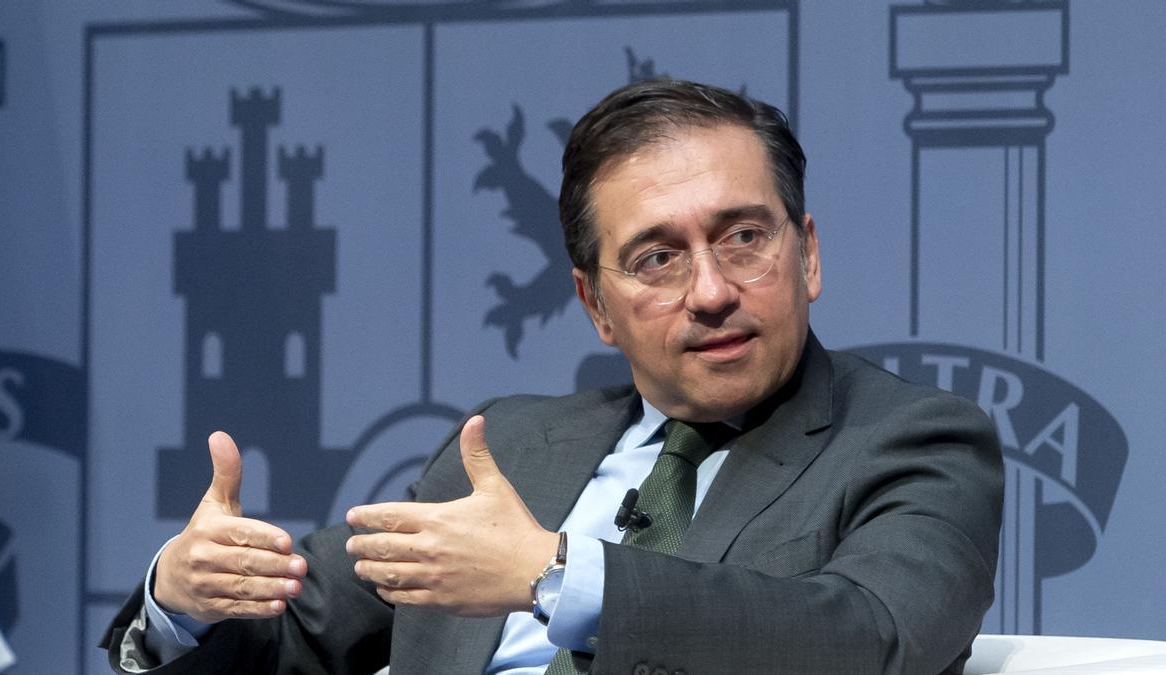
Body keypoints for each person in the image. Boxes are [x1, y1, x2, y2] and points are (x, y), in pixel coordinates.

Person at [102, 79, 1003, 674]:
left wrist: (554, 573)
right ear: (595, 305)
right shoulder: (512, 445)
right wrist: (183, 597)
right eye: (657, 258)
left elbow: (875, 641)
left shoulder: (911, 439)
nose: (712, 291)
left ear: (806, 255)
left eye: (743, 237)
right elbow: (295, 633)